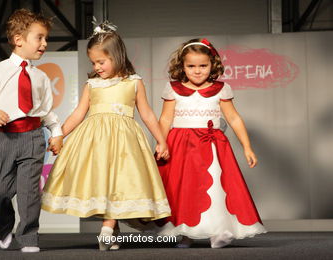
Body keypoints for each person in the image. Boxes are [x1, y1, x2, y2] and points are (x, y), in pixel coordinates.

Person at [41, 21, 171, 251]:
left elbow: (148, 114)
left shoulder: (133, 82)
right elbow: (78, 113)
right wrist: (59, 133)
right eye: (93, 62)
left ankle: (108, 229)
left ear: (117, 56)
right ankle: (113, 231)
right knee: (103, 184)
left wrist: (161, 140)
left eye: (101, 61)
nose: (97, 66)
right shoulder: (92, 84)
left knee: (120, 182)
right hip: (96, 142)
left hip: (125, 143)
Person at [156, 38, 266, 248]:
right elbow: (165, 119)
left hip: (212, 146)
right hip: (181, 146)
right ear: (182, 66)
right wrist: (161, 143)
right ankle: (184, 232)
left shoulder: (221, 89)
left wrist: (247, 146)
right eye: (191, 66)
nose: (197, 71)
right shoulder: (173, 89)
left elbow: (233, 118)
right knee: (183, 188)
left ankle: (219, 231)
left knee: (215, 187)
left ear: (212, 65)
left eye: (203, 66)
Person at [0, 8, 63, 253]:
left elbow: (45, 111)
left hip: (34, 138)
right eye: (40, 37)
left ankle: (29, 237)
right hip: (5, 137)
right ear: (18, 40)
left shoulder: (41, 78)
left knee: (29, 193)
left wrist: (56, 132)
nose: (44, 43)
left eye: (46, 38)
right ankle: (5, 225)